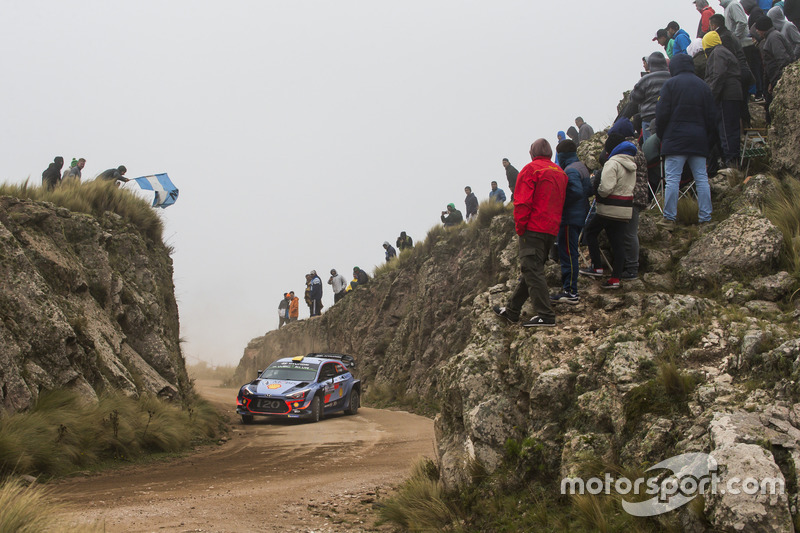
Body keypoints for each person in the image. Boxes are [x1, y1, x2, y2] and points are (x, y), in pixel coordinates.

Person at [492, 139, 567, 327]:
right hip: (551, 229)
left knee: (532, 270)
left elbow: (522, 202)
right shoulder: (560, 173)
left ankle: (545, 314)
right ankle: (512, 311)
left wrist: (520, 228)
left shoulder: (531, 170)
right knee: (530, 269)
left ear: (532, 152)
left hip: (533, 228)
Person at [655, 53, 716, 229]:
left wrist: (663, 136)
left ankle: (669, 218)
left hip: (674, 141)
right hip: (698, 140)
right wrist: (707, 141)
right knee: (702, 179)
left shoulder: (670, 85)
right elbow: (712, 118)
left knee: (672, 180)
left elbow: (661, 114)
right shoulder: (703, 86)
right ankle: (705, 218)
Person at [580, 134, 638, 290]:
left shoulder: (612, 163)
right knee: (618, 243)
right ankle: (615, 278)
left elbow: (606, 188)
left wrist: (598, 192)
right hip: (625, 209)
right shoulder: (632, 164)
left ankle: (597, 267)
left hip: (608, 208)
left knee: (590, 231)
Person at [551, 140, 591, 305]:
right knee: (571, 252)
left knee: (568, 253)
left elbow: (575, 192)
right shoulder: (581, 166)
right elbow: (588, 190)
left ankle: (571, 291)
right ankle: (569, 289)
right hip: (579, 215)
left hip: (570, 218)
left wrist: (559, 201)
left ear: (561, 155)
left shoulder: (570, 170)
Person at [703, 30, 743, 168]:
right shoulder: (724, 50)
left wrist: (711, 97)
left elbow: (718, 76)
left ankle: (731, 164)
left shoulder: (717, 53)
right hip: (733, 93)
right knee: (731, 129)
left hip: (726, 95)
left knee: (726, 130)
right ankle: (733, 161)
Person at [710, 13, 756, 126]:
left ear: (714, 25)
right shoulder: (730, 34)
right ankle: (746, 126)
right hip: (744, 70)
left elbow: (728, 58)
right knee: (742, 102)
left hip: (739, 72)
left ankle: (745, 128)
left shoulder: (724, 37)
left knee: (740, 104)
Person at [622, 51, 670, 142]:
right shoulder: (671, 77)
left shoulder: (646, 79)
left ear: (651, 64)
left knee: (650, 147)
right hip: (668, 116)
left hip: (649, 116)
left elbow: (635, 98)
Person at [755, 15, 795, 123]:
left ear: (763, 29)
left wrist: (776, 82)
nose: (757, 31)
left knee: (773, 113)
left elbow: (782, 60)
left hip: (778, 79)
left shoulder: (773, 38)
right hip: (774, 79)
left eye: (758, 29)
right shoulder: (772, 37)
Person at [720, 0, 763, 99]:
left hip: (745, 44)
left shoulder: (733, 5)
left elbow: (742, 22)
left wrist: (734, 38)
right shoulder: (727, 7)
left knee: (752, 69)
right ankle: (752, 93)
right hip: (740, 45)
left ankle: (758, 93)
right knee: (748, 70)